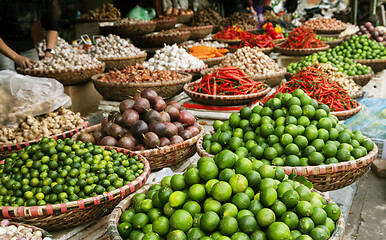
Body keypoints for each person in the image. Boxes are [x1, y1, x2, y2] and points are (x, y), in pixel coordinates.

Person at [0, 0, 59, 71]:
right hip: (3, 45)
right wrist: (16, 57)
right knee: (7, 76)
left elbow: (52, 27)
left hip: (26, 43)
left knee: (36, 74)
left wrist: (49, 51)